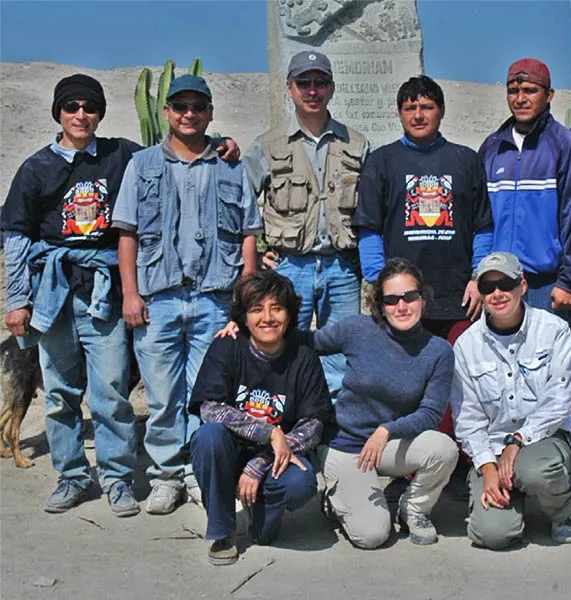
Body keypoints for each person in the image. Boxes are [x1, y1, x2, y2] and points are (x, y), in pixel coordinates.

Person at [112, 74, 261, 515]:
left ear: (210, 112)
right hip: (158, 298)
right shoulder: (142, 166)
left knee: (207, 397)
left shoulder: (232, 166)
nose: (189, 114)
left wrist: (245, 300)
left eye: (198, 106)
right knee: (161, 397)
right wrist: (130, 294)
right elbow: (127, 234)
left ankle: (200, 474)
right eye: (181, 107)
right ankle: (165, 476)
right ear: (167, 113)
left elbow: (250, 232)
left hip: (215, 301)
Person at [1, 74, 140, 517]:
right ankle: (73, 477)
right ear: (59, 112)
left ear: (99, 113)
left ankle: (117, 478)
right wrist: (17, 301)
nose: (81, 115)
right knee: (60, 393)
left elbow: (173, 155)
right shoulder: (35, 168)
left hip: (104, 295)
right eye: (72, 107)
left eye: (90, 107)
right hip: (53, 295)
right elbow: (17, 237)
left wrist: (221, 144)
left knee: (112, 391)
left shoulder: (120, 156)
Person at [242, 50, 369, 401]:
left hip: (342, 267)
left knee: (339, 354)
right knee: (277, 345)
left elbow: (371, 209)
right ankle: (277, 424)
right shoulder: (267, 145)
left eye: (319, 83)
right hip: (288, 265)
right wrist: (257, 257)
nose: (312, 91)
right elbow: (241, 206)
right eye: (304, 83)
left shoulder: (356, 144)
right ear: (290, 89)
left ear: (331, 88)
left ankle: (330, 430)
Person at [189, 270, 335, 565]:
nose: (267, 318)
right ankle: (222, 530)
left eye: (277, 308)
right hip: (231, 453)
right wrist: (269, 432)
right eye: (257, 309)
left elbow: (314, 424)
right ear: (243, 318)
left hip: (276, 459)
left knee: (302, 482)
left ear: (290, 314)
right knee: (208, 437)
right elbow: (209, 408)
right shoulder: (227, 346)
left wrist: (260, 462)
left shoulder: (304, 356)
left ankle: (263, 513)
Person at [316, 258, 458, 548]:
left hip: (387, 444)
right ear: (379, 304)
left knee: (442, 449)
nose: (402, 306)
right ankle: (335, 498)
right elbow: (303, 342)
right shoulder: (357, 329)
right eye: (391, 300)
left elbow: (430, 413)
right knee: (372, 536)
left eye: (410, 296)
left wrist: (386, 430)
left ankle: (414, 510)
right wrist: (242, 330)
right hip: (346, 445)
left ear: (423, 298)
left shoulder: (439, 351)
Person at [452, 252, 571, 549]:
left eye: (506, 284)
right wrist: (487, 468)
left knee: (535, 470)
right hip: (494, 447)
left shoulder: (553, 330)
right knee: (493, 535)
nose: (497, 293)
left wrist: (518, 440)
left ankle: (564, 510)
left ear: (523, 286)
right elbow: (468, 419)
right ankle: (512, 498)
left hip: (545, 438)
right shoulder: (466, 345)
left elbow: (559, 402)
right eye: (488, 287)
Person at [354, 75, 493, 341]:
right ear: (400, 114)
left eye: (427, 107)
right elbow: (369, 229)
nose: (418, 115)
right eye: (410, 108)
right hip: (401, 302)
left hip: (458, 299)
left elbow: (482, 226)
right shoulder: (381, 162)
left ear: (441, 110)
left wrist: (479, 277)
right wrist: (380, 283)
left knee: (458, 378)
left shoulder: (467, 160)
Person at [478, 58, 571, 321]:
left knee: (551, 361)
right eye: (513, 91)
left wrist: (569, 281)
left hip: (547, 284)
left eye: (530, 91)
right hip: (498, 284)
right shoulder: (492, 148)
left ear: (549, 95)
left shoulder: (566, 147)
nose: (520, 99)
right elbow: (479, 218)